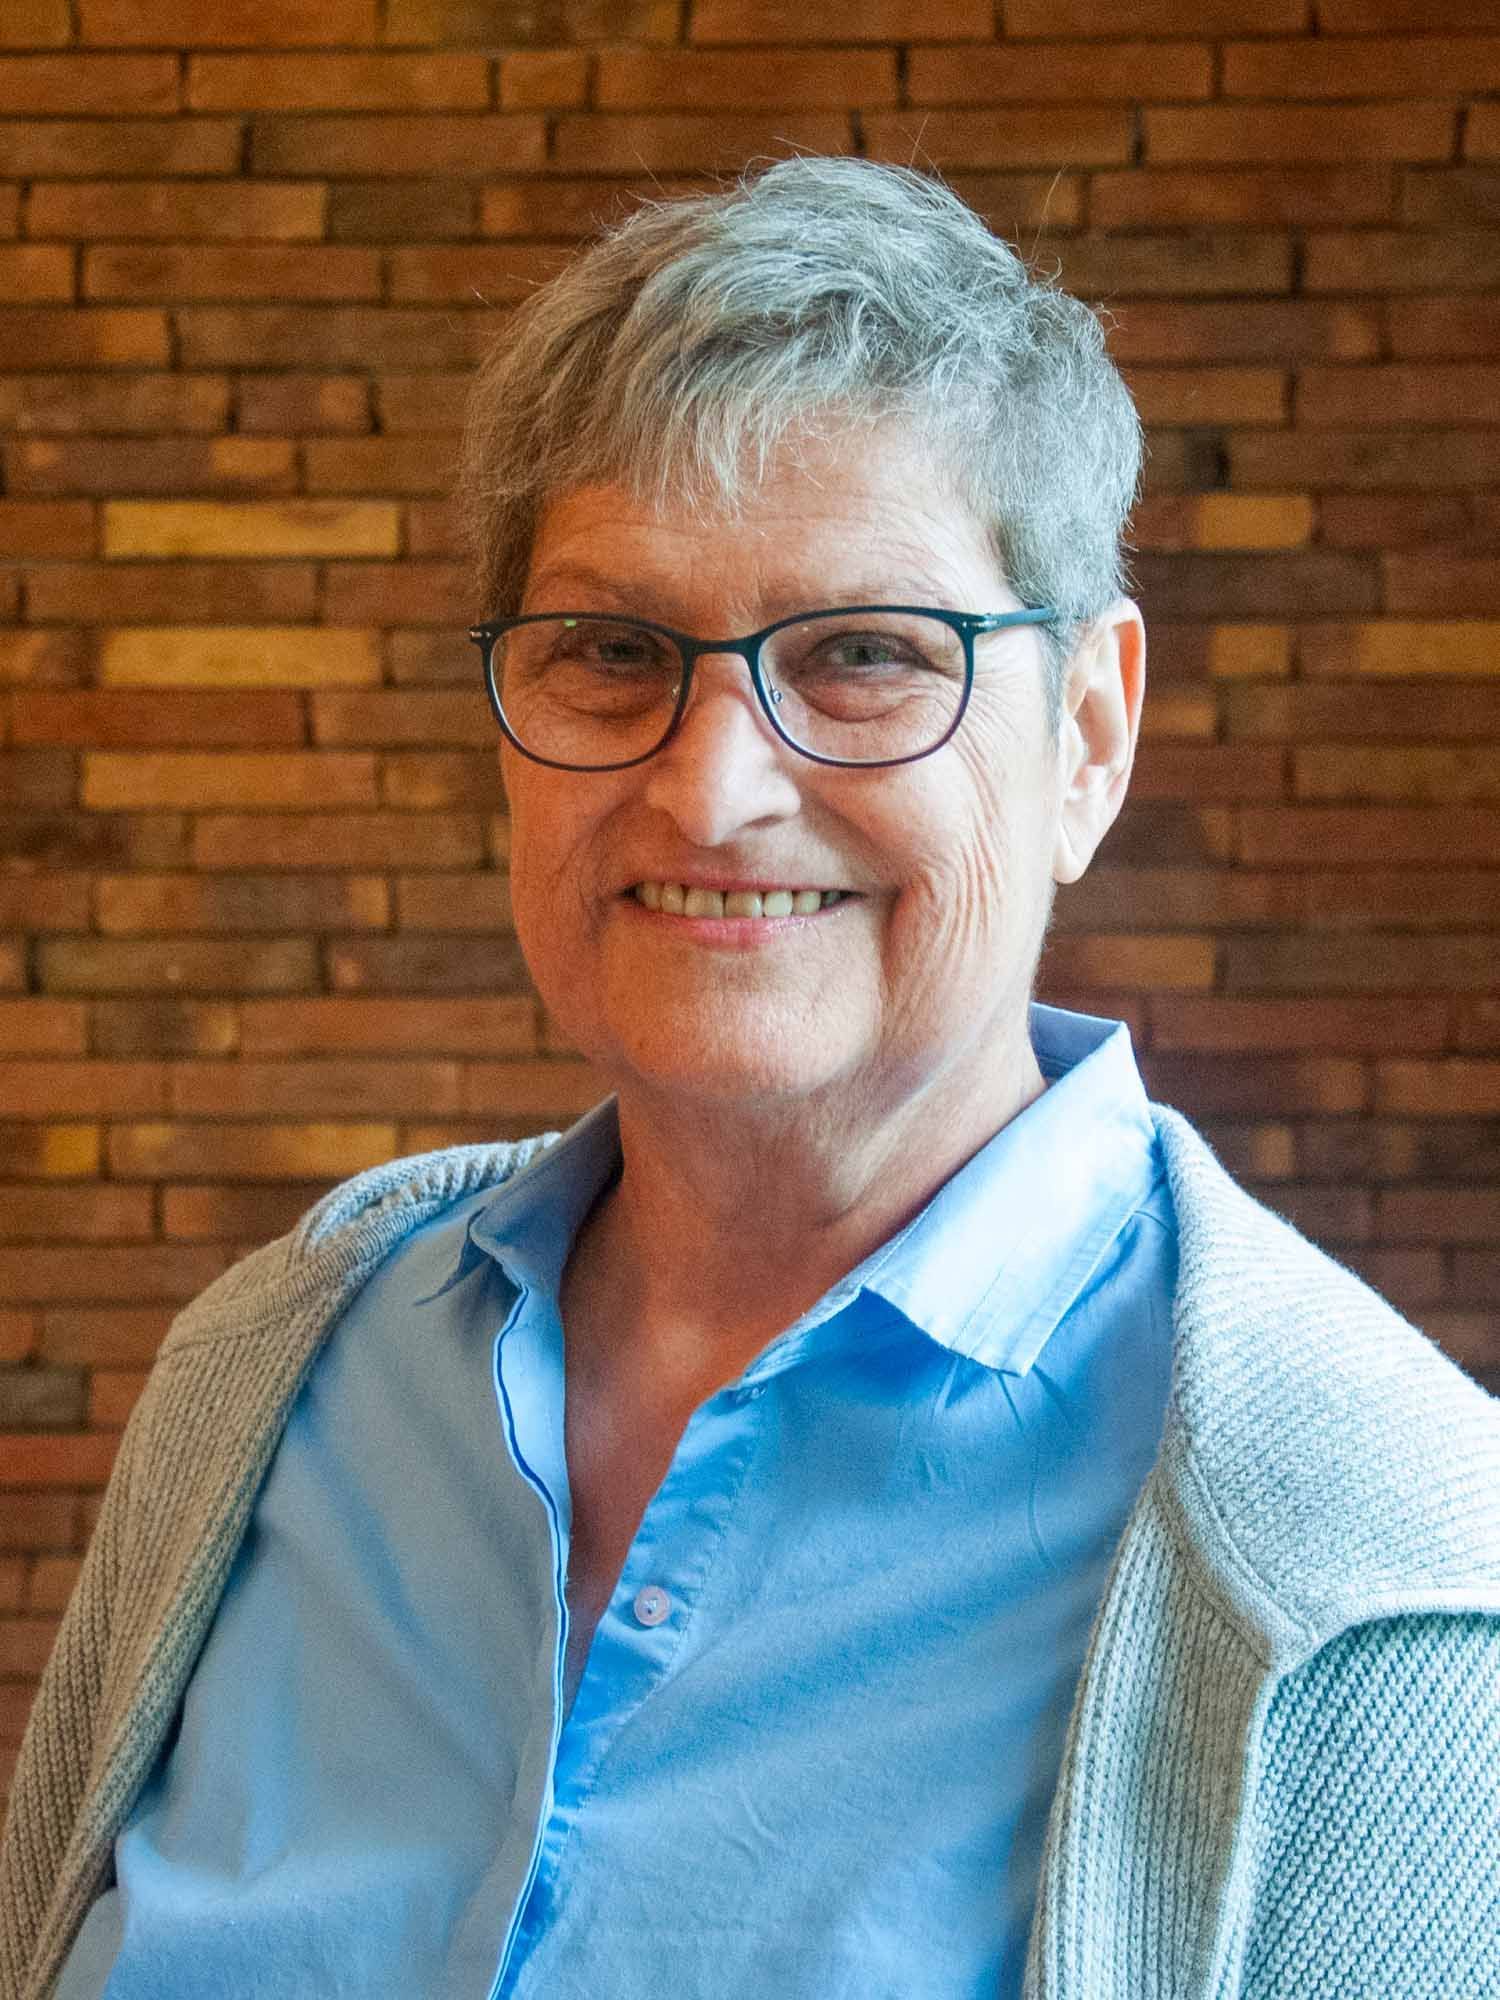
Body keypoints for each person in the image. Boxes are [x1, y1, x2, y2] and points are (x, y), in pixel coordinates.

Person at [3, 156, 1499, 2000]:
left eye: (867, 655)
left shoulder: (1380, 1585)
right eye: (612, 652)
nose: (713, 792)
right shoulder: (276, 1372)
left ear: (1090, 739)